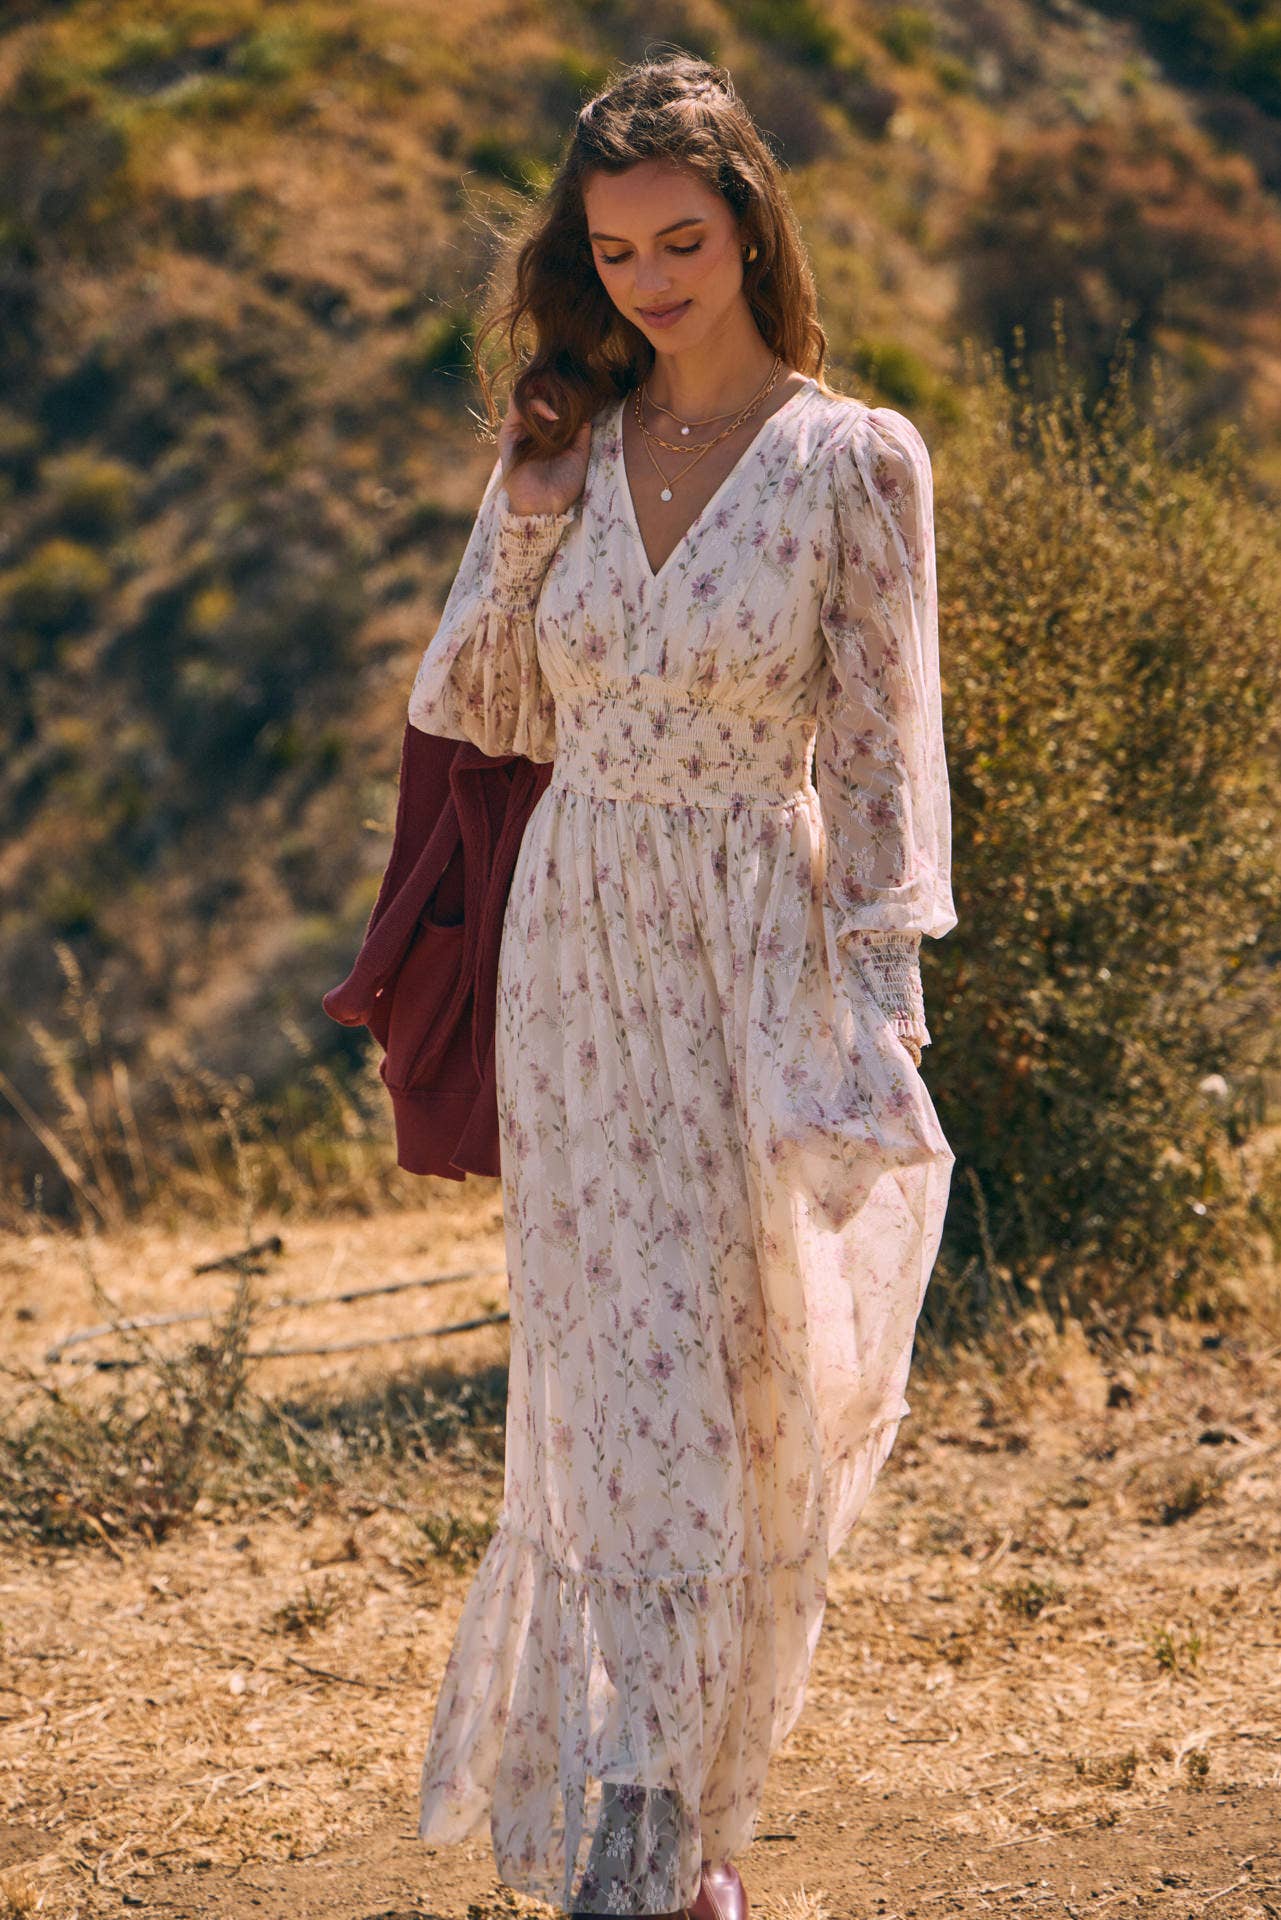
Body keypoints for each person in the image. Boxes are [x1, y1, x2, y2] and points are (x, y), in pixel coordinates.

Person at [405, 51, 957, 1920]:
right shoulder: (569, 446)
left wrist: (881, 1009)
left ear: (747, 231)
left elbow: (884, 756)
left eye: (682, 240)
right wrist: (540, 496)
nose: (648, 278)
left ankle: (690, 1813)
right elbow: (478, 706)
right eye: (614, 247)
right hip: (583, 941)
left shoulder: (853, 460)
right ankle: (634, 1836)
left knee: (747, 1392)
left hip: (759, 940)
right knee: (615, 1379)